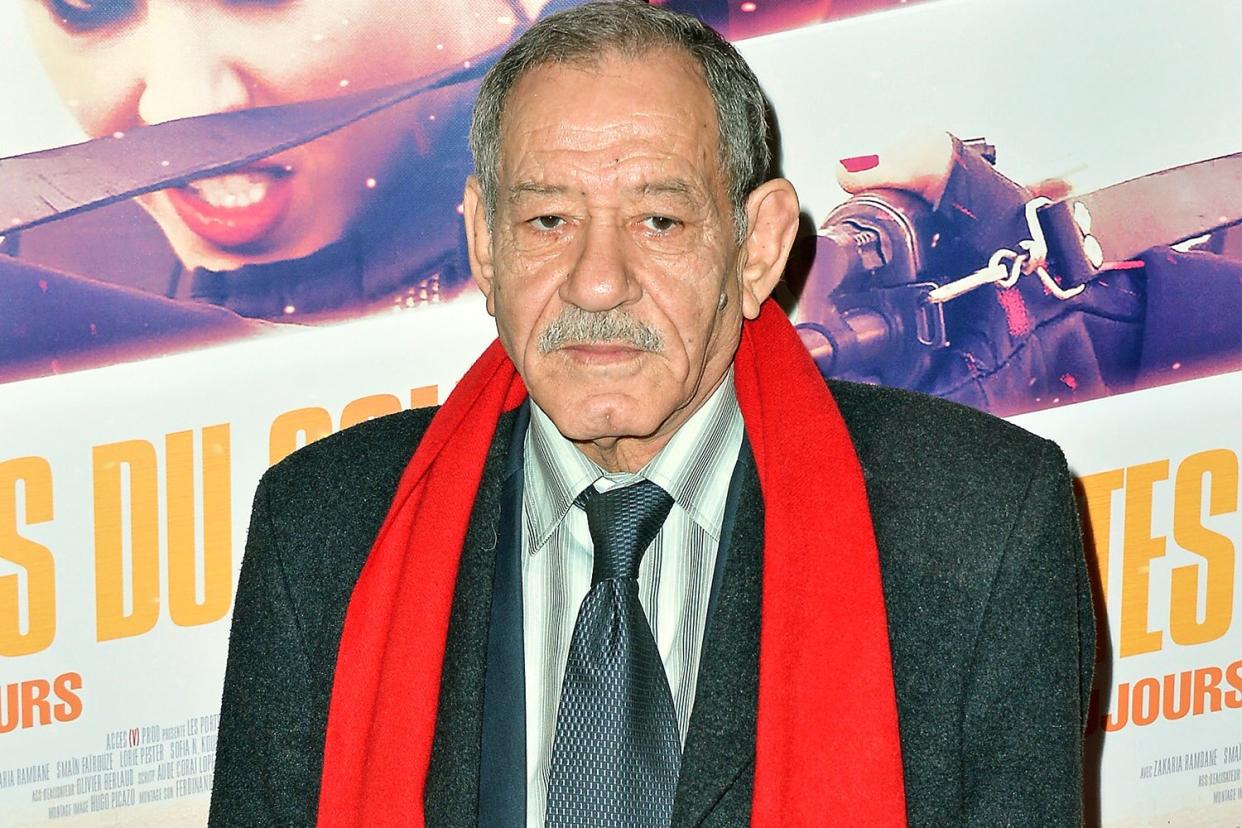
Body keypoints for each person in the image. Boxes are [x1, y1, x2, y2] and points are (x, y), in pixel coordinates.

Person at [209, 2, 1094, 825]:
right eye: (549, 218)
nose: (598, 280)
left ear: (760, 248)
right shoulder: (325, 527)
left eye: (660, 221)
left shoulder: (984, 525)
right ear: (484, 243)